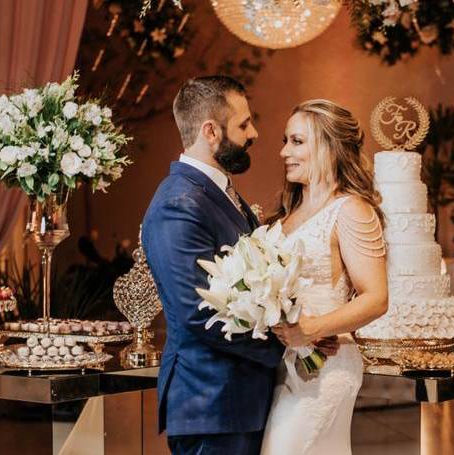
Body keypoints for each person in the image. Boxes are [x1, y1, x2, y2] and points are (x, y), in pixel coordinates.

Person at [141, 76, 338, 455]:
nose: (255, 133)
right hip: (212, 403)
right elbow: (198, 313)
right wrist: (288, 343)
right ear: (211, 131)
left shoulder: (216, 192)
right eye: (244, 124)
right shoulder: (178, 203)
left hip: (237, 402)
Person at [261, 99, 389, 455]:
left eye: (297, 141)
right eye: (286, 140)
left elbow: (376, 297)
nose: (284, 151)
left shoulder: (351, 210)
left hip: (325, 369)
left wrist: (313, 329)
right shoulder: (283, 216)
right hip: (282, 369)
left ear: (330, 146)